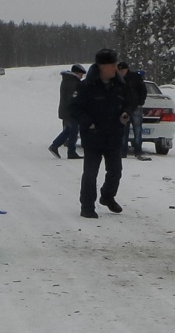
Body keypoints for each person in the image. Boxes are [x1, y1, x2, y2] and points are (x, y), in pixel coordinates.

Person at [71, 49, 133, 217]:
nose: (115, 68)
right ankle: (87, 206)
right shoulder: (86, 86)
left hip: (113, 135)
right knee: (91, 173)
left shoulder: (120, 85)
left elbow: (129, 102)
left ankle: (107, 196)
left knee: (115, 171)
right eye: (112, 65)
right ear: (102, 67)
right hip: (93, 137)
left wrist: (126, 113)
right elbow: (74, 109)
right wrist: (88, 124)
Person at [48, 64, 85, 157]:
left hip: (67, 110)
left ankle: (55, 145)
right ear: (76, 73)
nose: (82, 77)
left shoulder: (68, 80)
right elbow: (73, 98)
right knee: (73, 131)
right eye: (81, 74)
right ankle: (71, 152)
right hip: (71, 111)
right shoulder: (73, 83)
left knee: (68, 130)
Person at [118, 60, 151, 159]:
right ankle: (123, 152)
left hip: (136, 107)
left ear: (126, 69)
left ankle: (138, 151)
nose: (121, 72)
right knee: (124, 131)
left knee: (138, 131)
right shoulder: (118, 79)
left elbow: (143, 90)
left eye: (122, 70)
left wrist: (141, 102)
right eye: (119, 70)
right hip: (123, 109)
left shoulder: (135, 77)